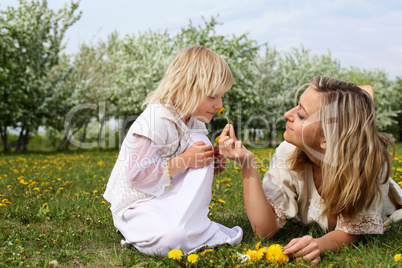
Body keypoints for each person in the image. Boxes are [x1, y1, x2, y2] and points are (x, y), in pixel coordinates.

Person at [218, 76, 402, 264]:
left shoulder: (368, 164)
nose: (287, 114)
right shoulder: (287, 152)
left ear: (328, 138)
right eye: (296, 106)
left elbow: (351, 229)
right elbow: (264, 230)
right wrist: (247, 164)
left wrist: (320, 244)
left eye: (301, 115)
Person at [103, 46, 242, 256]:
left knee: (201, 144)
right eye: (212, 96)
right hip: (137, 204)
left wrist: (213, 160)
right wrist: (186, 160)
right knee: (172, 239)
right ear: (184, 87)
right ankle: (141, 228)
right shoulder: (156, 120)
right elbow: (138, 176)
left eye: (222, 96)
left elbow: (187, 170)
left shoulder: (193, 122)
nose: (219, 105)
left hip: (162, 198)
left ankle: (188, 227)